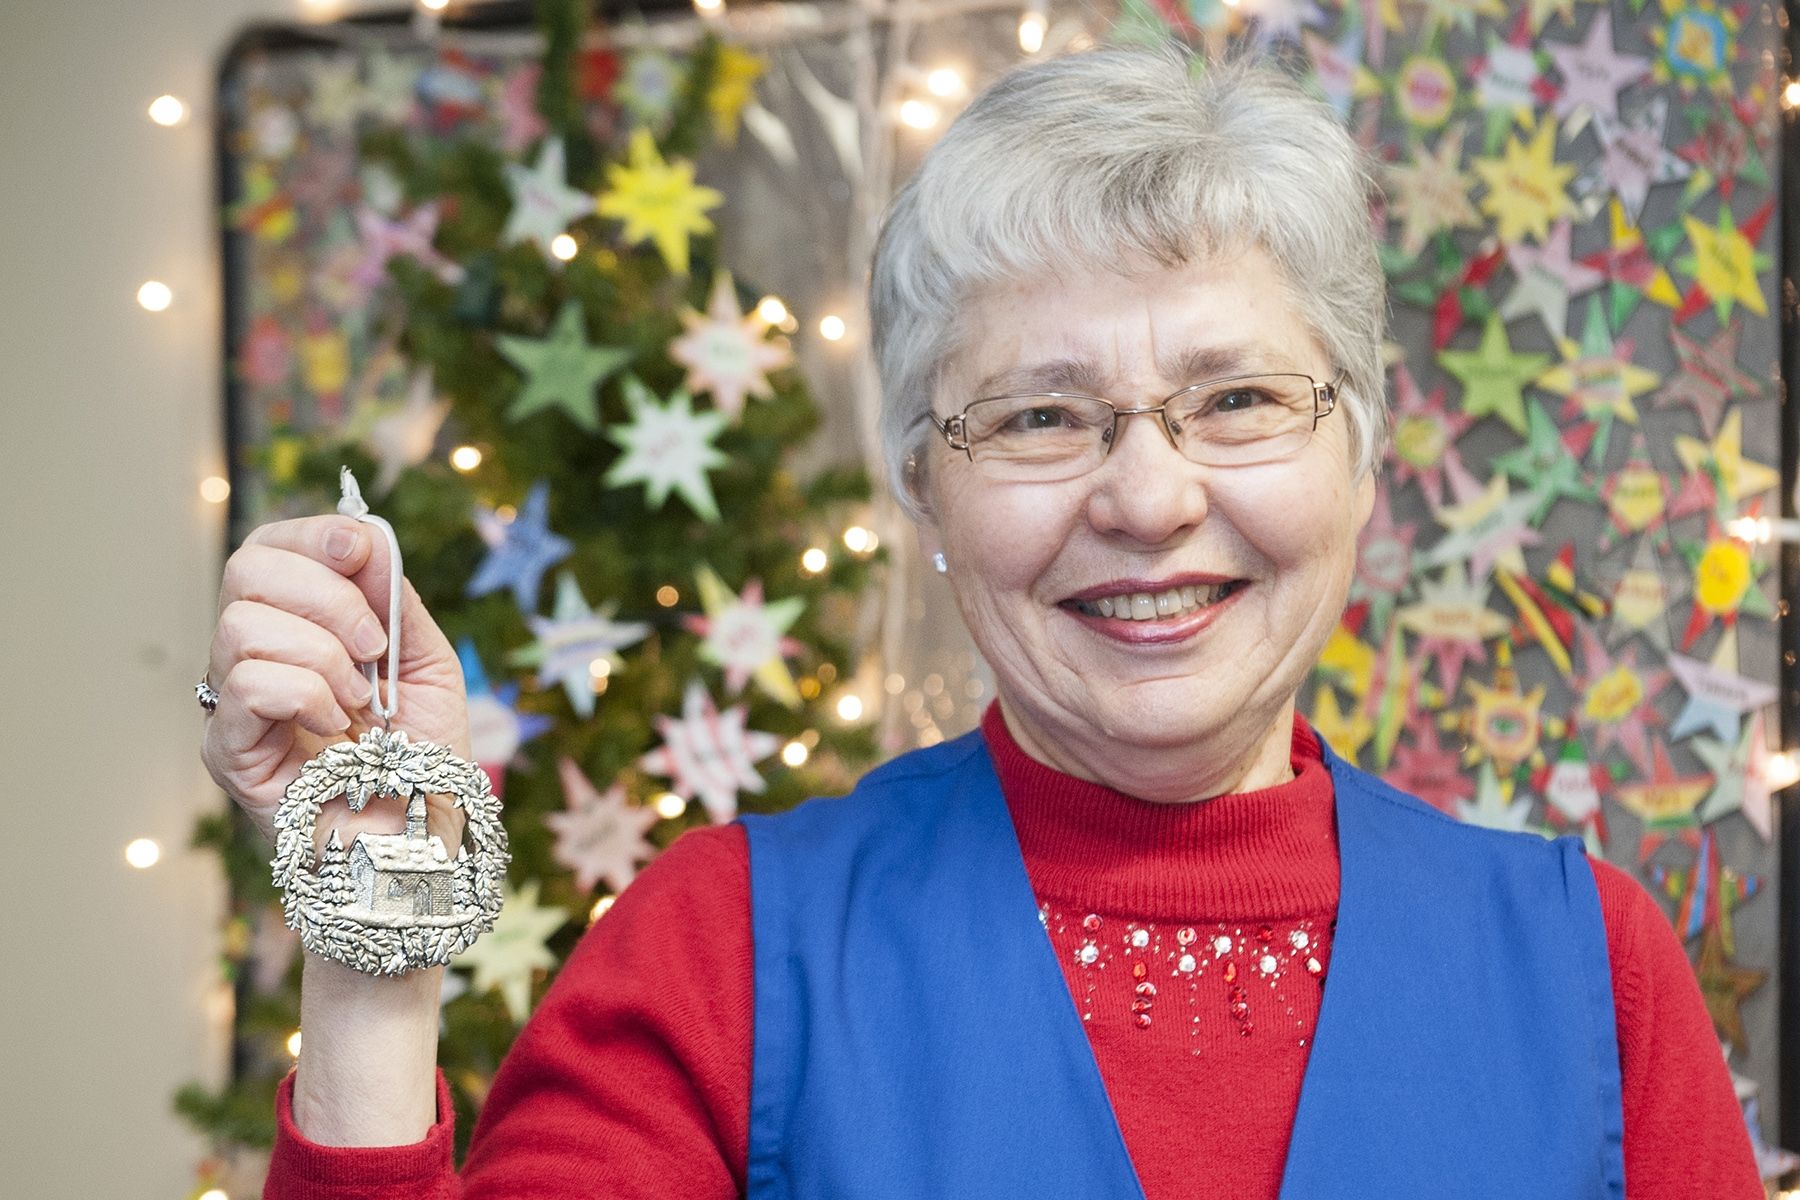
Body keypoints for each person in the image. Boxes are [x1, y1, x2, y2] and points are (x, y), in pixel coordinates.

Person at [199, 44, 1763, 1200]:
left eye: (1236, 398)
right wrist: (373, 958)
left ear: (1360, 454)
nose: (1147, 497)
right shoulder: (724, 954)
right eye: (1039, 418)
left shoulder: (1589, 971)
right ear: (925, 493)